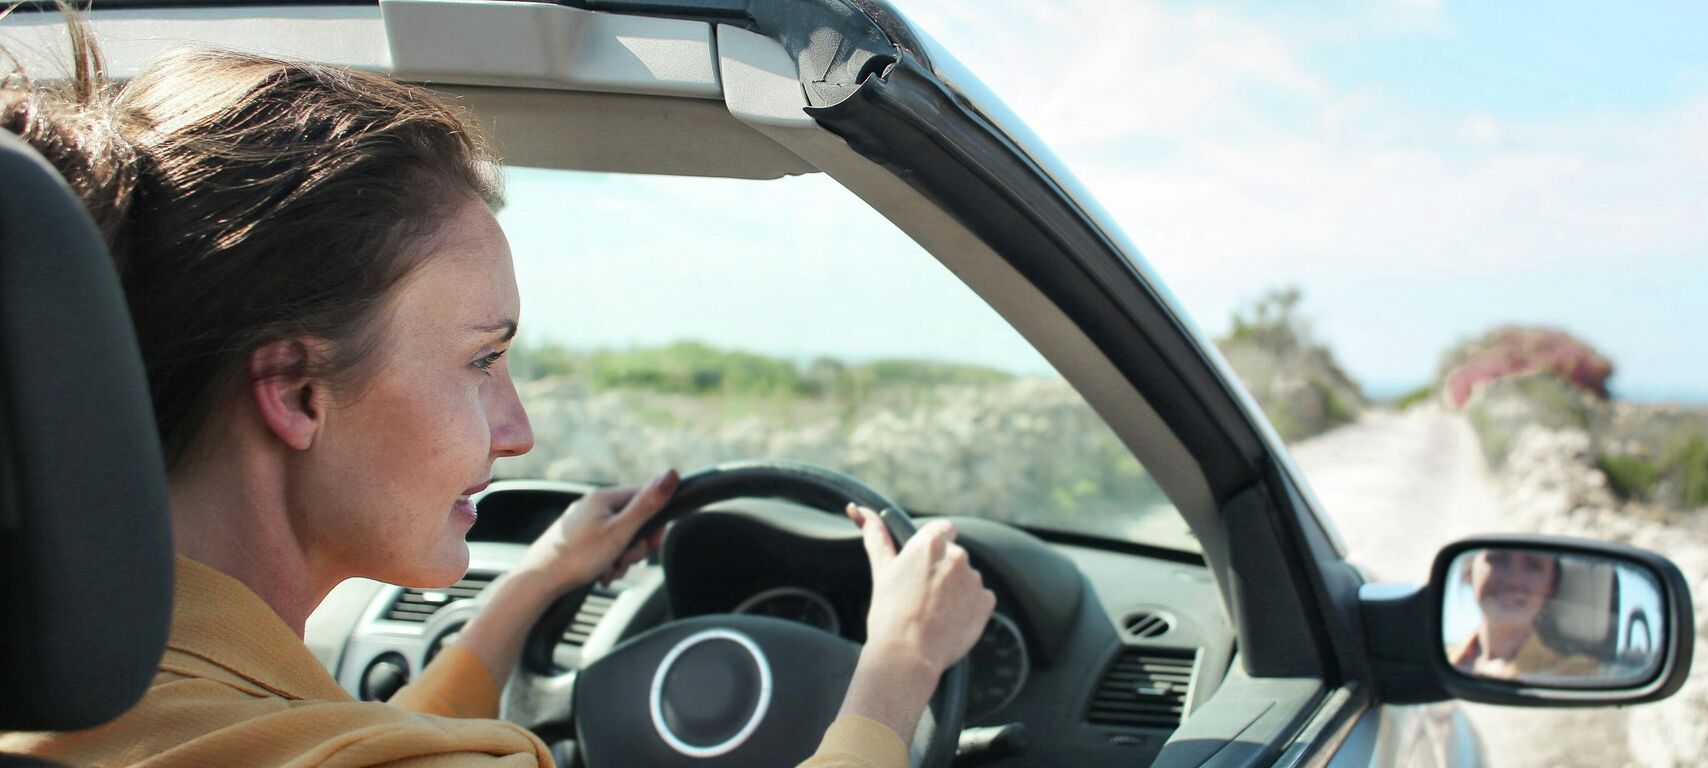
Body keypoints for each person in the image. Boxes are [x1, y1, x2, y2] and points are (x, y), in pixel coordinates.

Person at [0, 18, 994, 768]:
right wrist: (897, 667)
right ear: (299, 392)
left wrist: (531, 584)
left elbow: (349, 739)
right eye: (482, 361)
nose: (517, 433)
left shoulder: (94, 697)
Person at [1446, 549, 1599, 682]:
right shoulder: (1439, 660)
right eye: (1498, 559)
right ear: (1470, 571)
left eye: (1532, 565)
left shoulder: (1578, 672)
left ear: (1551, 585)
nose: (1513, 580)